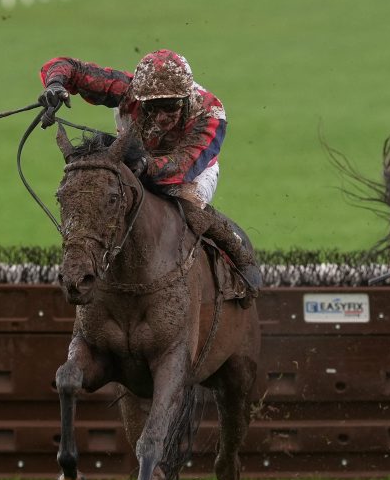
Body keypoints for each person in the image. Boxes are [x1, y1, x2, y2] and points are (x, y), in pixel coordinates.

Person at [36, 49, 262, 302]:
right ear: (139, 97)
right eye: (151, 107)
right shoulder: (126, 89)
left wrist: (145, 165)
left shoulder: (211, 112)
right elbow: (70, 67)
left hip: (191, 171)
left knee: (189, 209)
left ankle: (239, 255)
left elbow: (183, 164)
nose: (161, 116)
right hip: (135, 155)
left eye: (170, 107)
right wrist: (55, 85)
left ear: (186, 98)